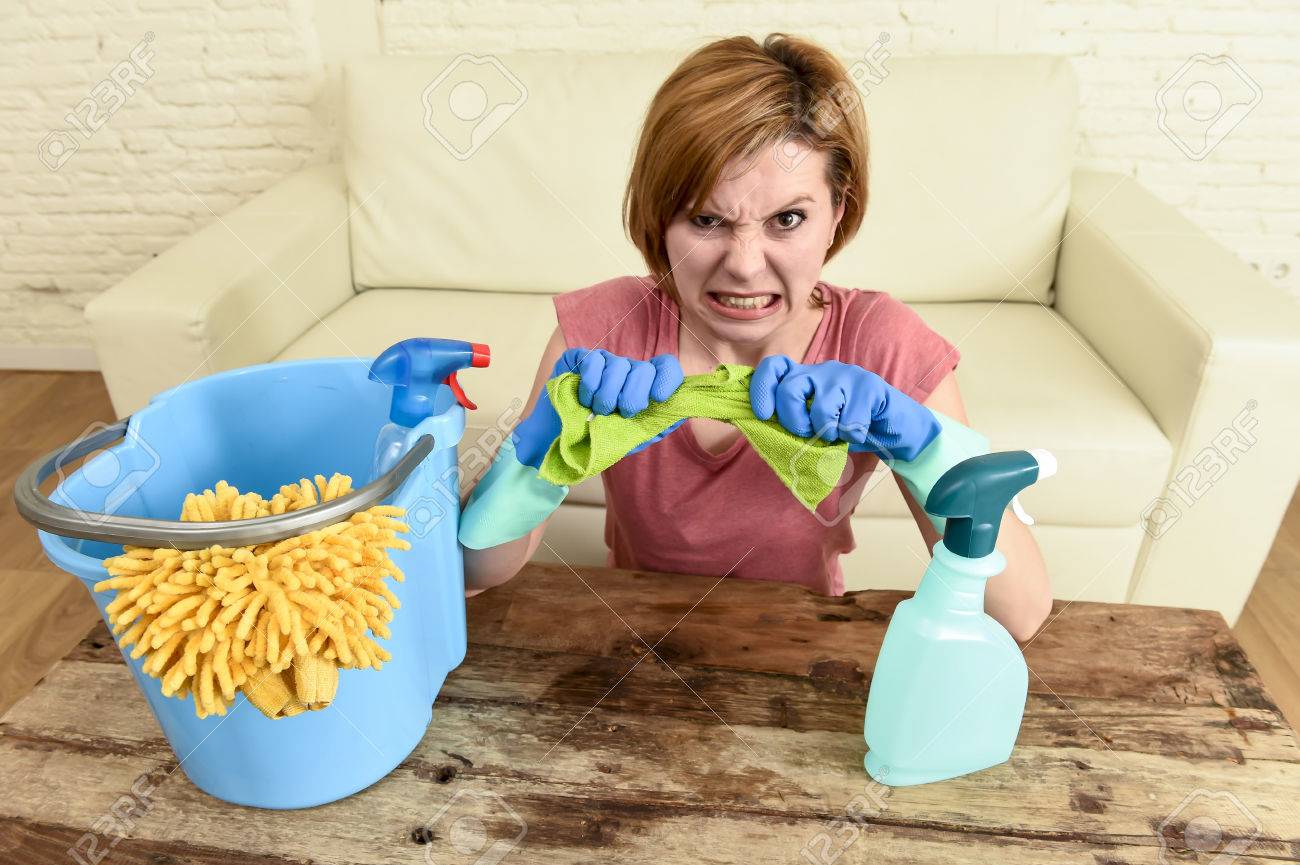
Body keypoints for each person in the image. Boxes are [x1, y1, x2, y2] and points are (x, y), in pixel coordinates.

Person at [458, 33, 1051, 640]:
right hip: (628, 637)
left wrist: (931, 448)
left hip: (800, 648)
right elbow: (473, 574)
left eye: (786, 220)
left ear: (837, 211)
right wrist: (530, 462)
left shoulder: (882, 343)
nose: (744, 264)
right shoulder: (605, 330)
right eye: (707, 219)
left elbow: (1019, 614)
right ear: (660, 220)